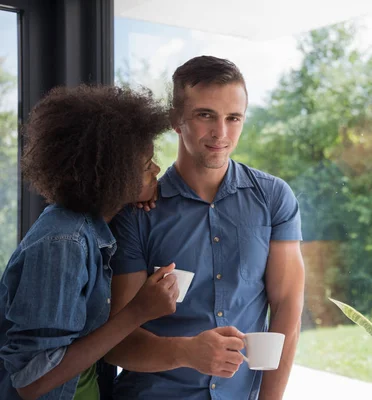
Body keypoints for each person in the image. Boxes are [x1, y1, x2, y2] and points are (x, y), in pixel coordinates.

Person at [106, 56, 306, 400]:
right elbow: (117, 341)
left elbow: (287, 307)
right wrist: (185, 352)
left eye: (233, 118)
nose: (221, 133)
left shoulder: (273, 198)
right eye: (205, 115)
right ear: (176, 120)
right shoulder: (137, 214)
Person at [0, 85, 180, 400]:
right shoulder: (63, 244)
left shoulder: (86, 229)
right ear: (111, 175)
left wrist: (127, 200)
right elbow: (30, 381)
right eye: (145, 165)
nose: (156, 170)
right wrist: (137, 312)